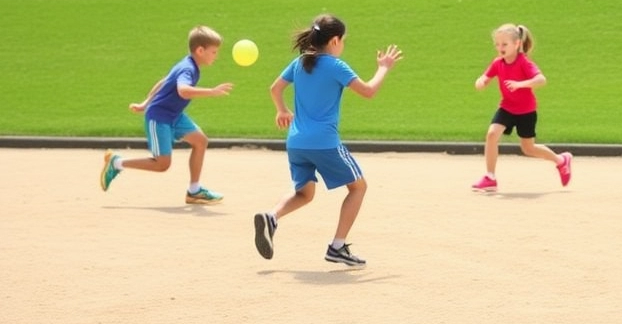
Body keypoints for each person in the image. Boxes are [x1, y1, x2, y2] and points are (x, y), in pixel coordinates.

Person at [253, 14, 401, 266]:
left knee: (304, 194)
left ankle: (272, 216)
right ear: (334, 40)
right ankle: (337, 246)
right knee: (358, 187)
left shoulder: (300, 62)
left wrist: (282, 110)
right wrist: (383, 68)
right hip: (324, 142)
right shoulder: (335, 65)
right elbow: (368, 91)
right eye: (343, 40)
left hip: (296, 143)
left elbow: (274, 88)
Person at [100, 25, 233, 204]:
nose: (216, 56)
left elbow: (164, 81)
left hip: (174, 115)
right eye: (214, 52)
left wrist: (144, 103)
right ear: (200, 50)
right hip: (160, 117)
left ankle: (194, 191)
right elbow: (183, 91)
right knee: (162, 164)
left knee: (200, 141)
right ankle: (116, 163)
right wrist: (212, 91)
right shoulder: (188, 69)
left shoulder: (188, 63)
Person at [471, 23, 572, 192]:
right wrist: (481, 82)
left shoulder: (523, 62)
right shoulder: (498, 63)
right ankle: (490, 177)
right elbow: (485, 77)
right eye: (497, 44)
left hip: (526, 111)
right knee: (491, 134)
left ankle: (561, 161)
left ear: (517, 44)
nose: (500, 48)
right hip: (507, 107)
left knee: (528, 148)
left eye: (504, 44)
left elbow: (541, 80)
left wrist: (520, 84)